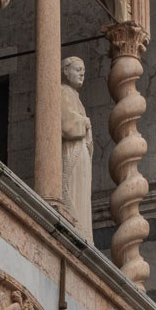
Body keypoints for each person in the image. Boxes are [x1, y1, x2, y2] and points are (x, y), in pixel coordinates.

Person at [61, 55, 94, 241]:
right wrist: (85, 122)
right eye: (77, 69)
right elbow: (66, 124)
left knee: (81, 192)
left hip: (81, 151)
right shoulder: (62, 92)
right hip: (71, 149)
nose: (82, 73)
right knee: (72, 189)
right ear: (66, 71)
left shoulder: (75, 97)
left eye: (83, 71)